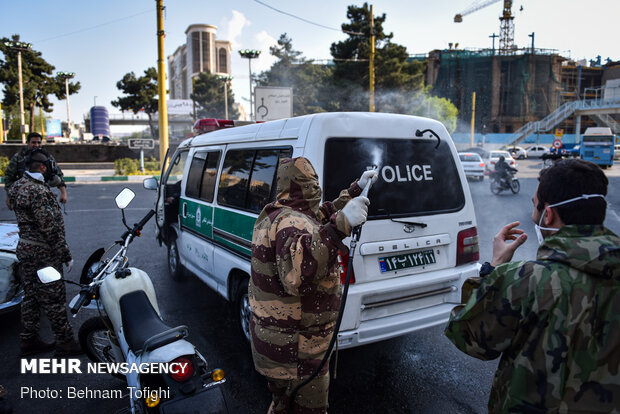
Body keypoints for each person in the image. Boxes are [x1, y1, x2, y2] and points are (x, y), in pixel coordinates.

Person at [445, 158, 619, 413]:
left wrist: (493, 270)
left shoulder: (527, 280)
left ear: (548, 214)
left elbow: (467, 335)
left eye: (535, 206)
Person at [249, 157, 376, 414]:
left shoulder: (282, 211)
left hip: (282, 347)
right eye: (312, 181)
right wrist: (341, 226)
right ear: (305, 185)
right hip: (297, 352)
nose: (316, 186)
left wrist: (355, 189)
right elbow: (297, 273)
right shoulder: (289, 223)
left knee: (283, 404)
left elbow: (321, 215)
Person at [8, 149, 81, 357]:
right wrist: (65, 253)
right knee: (54, 297)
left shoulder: (17, 186)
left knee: (31, 296)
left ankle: (29, 340)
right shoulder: (38, 191)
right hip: (43, 252)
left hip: (25, 248)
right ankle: (66, 342)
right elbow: (49, 226)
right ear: (42, 167)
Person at [4, 132, 67, 210]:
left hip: (42, 195)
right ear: (27, 143)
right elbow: (9, 177)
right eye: (33, 142)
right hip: (24, 197)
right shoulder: (19, 157)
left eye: (39, 142)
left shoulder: (47, 157)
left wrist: (63, 193)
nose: (36, 145)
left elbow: (58, 174)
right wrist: (9, 197)